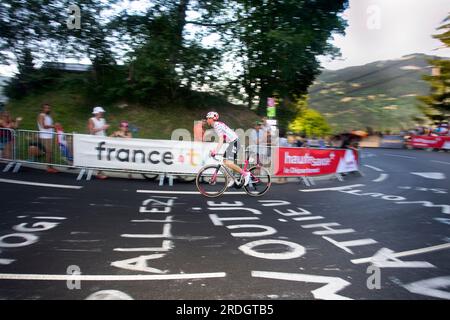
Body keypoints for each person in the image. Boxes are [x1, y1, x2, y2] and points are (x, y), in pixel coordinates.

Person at [206, 111, 250, 187]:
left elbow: (221, 140)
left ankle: (245, 174)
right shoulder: (217, 124)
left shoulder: (216, 125)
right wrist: (216, 150)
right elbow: (222, 139)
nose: (207, 120)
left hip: (234, 142)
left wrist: (215, 151)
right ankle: (232, 178)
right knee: (225, 161)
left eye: (208, 118)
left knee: (228, 162)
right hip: (232, 142)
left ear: (212, 119)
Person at [88, 106, 110, 179]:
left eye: (102, 112)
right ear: (96, 113)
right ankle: (98, 172)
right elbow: (91, 131)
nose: (102, 113)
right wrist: (102, 128)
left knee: (102, 156)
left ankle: (100, 171)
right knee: (98, 156)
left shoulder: (103, 119)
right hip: (95, 140)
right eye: (100, 112)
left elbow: (103, 131)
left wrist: (106, 128)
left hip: (103, 140)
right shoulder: (91, 120)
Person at [37, 104, 59, 173]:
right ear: (42, 109)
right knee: (48, 152)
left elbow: (49, 125)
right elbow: (42, 125)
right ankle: (48, 167)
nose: (48, 109)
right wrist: (53, 126)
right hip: (45, 136)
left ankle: (51, 166)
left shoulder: (48, 116)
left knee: (50, 152)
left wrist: (54, 127)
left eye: (49, 108)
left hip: (49, 136)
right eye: (46, 108)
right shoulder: (41, 115)